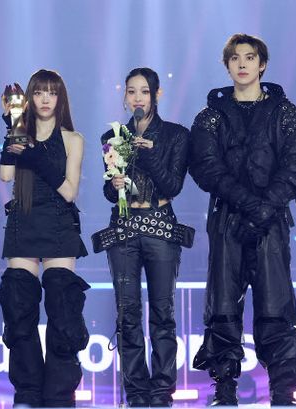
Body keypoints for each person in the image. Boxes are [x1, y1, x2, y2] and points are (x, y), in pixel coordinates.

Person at [188, 33, 296, 406]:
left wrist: (265, 208)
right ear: (227, 65)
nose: (242, 63)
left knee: (275, 304)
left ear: (262, 65)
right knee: (223, 305)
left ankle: (283, 391)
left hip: (271, 221)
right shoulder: (210, 117)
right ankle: (225, 389)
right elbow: (205, 166)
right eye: (235, 58)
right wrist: (248, 204)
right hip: (228, 219)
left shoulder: (285, 113)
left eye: (249, 57)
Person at [0, 70, 89, 407]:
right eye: (39, 93)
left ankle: (59, 396)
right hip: (23, 221)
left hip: (58, 223)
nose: (46, 99)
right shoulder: (20, 133)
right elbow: (5, 174)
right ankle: (28, 394)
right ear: (30, 98)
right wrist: (14, 127)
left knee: (63, 312)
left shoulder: (72, 139)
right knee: (19, 309)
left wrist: (35, 156)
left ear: (60, 97)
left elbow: (69, 191)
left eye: (52, 92)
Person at [100, 67, 189, 407]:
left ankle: (162, 391)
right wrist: (114, 185)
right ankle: (136, 392)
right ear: (124, 96)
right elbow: (109, 192)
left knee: (163, 311)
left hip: (160, 225)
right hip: (124, 226)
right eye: (131, 91)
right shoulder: (112, 136)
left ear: (156, 95)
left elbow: (173, 186)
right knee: (127, 313)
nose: (137, 98)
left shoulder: (176, 135)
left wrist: (149, 155)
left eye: (144, 91)